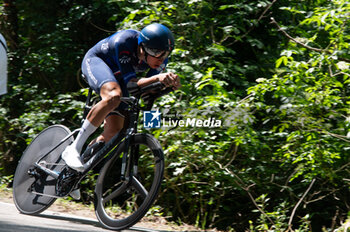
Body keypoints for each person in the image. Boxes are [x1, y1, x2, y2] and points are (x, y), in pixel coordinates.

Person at [62, 23, 181, 174]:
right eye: (156, 52)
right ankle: (74, 148)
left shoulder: (160, 61)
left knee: (117, 130)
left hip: (120, 78)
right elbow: (132, 85)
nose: (161, 58)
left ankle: (73, 174)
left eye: (165, 54)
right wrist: (157, 78)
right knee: (113, 96)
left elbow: (143, 92)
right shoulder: (124, 41)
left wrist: (166, 87)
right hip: (98, 62)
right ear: (142, 47)